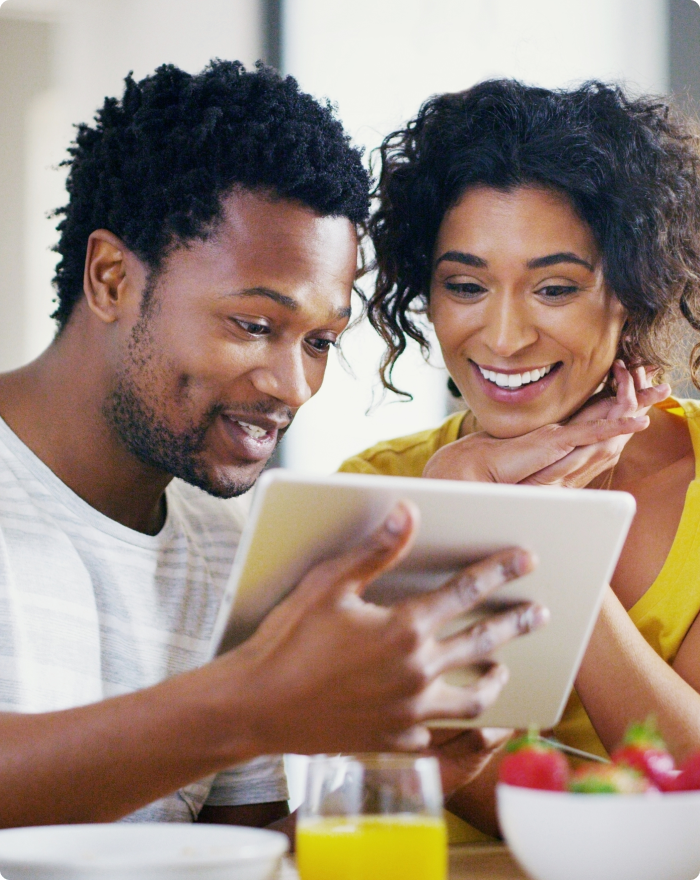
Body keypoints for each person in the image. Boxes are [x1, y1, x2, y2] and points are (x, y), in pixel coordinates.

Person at [0, 62, 550, 831]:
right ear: (112, 279)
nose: (293, 386)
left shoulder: (231, 554)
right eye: (254, 325)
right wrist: (249, 706)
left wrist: (393, 788)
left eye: (321, 340)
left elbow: (242, 854)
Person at [340, 79, 700, 839]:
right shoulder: (376, 497)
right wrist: (453, 518)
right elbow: (425, 769)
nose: (502, 337)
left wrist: (547, 539)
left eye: (555, 287)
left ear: (634, 290)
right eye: (466, 285)